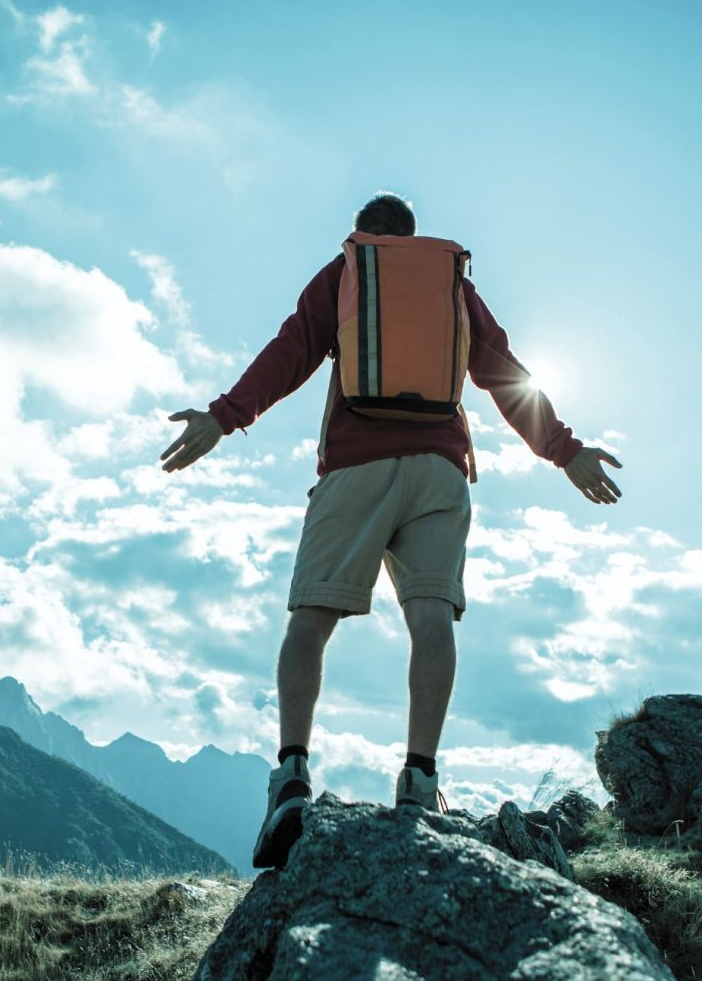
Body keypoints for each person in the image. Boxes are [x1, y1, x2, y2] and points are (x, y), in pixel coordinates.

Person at [159, 191, 623, 870]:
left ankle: (290, 775)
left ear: (360, 236)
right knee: (430, 615)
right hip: (439, 472)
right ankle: (418, 781)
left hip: (355, 465)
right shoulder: (450, 284)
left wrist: (223, 416)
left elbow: (290, 352)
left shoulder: (348, 272)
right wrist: (564, 449)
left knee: (311, 619)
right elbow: (501, 371)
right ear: (409, 236)